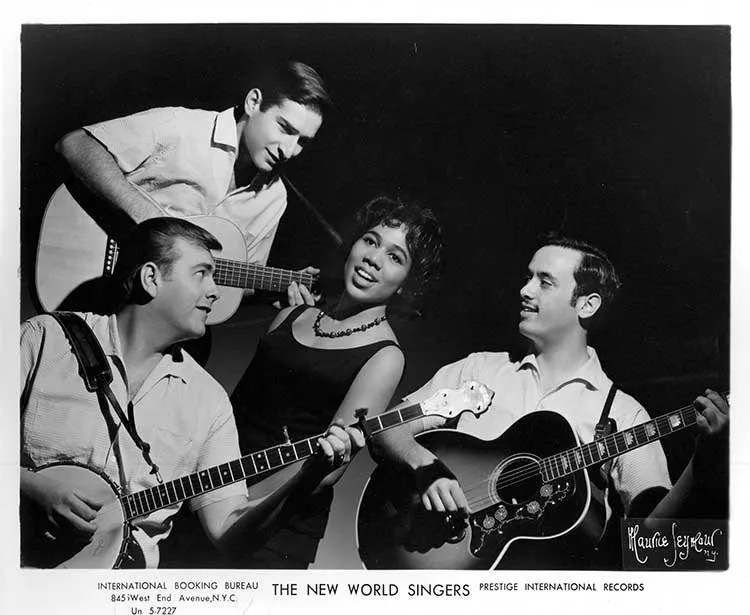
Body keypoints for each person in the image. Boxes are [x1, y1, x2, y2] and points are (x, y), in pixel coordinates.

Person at [19, 217, 362, 569]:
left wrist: (307, 480)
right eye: (201, 273)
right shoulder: (45, 338)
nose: (215, 290)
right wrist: (29, 488)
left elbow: (230, 534)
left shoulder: (210, 404)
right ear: (151, 278)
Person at [372, 235, 729, 568]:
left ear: (587, 305)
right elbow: (385, 429)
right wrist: (428, 470)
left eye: (544, 282)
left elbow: (653, 535)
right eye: (528, 278)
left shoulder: (620, 411)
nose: (525, 290)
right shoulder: (478, 368)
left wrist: (705, 458)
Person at [228, 195, 444, 568]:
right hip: (207, 493)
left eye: (395, 257)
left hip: (273, 523)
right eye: (371, 241)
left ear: (406, 284)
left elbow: (328, 468)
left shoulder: (385, 356)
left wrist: (239, 502)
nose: (373, 259)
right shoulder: (294, 314)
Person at [56, 60, 330, 306]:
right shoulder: (181, 126)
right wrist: (150, 221)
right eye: (285, 128)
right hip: (98, 284)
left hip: (164, 318)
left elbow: (238, 281)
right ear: (253, 103)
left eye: (303, 141)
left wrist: (277, 289)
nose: (290, 150)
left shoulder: (275, 198)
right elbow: (75, 144)